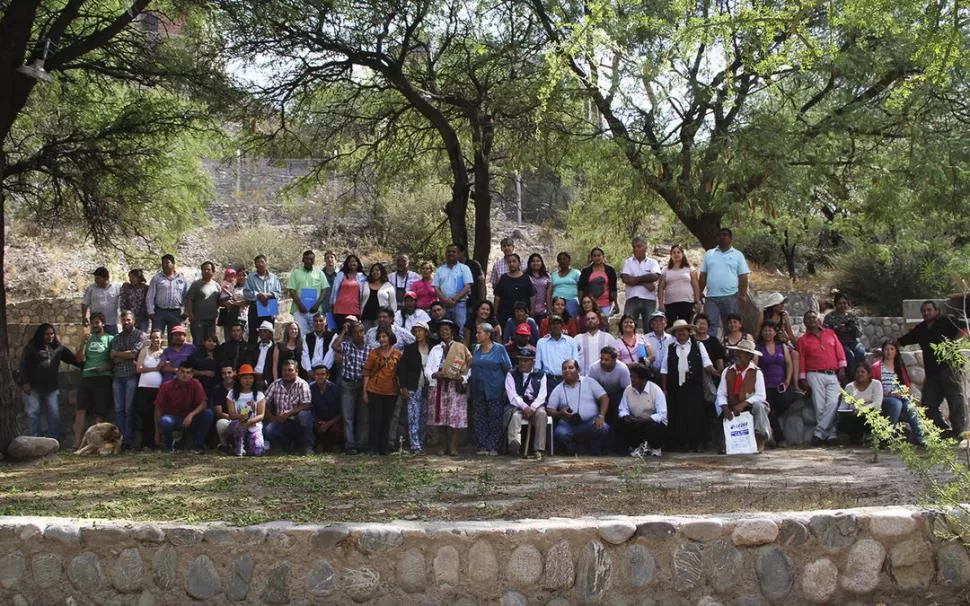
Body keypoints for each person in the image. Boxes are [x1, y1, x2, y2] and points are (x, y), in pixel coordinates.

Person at [898, 300, 967, 439]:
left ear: (936, 311)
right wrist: (886, 348)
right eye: (923, 310)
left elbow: (965, 328)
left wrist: (953, 342)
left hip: (949, 369)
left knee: (955, 402)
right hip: (932, 373)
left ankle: (959, 433)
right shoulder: (921, 328)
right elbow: (903, 340)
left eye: (929, 310)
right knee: (928, 405)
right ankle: (944, 431)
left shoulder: (947, 321)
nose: (926, 313)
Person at [18, 324, 81, 441]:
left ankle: (53, 441)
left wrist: (89, 365)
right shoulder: (31, 348)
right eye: (47, 334)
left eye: (52, 333)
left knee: (54, 414)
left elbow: (74, 360)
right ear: (41, 334)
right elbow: (23, 366)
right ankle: (35, 441)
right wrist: (25, 382)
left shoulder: (58, 348)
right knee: (33, 414)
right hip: (33, 388)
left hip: (51, 388)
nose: (50, 336)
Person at [662, 319, 715, 452]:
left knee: (696, 414)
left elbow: (706, 362)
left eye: (683, 330)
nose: (681, 333)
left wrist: (716, 372)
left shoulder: (698, 345)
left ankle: (698, 442)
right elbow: (664, 370)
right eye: (678, 331)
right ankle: (683, 442)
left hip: (694, 386)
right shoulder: (670, 348)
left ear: (688, 331)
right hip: (676, 387)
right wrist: (664, 389)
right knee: (679, 414)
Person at [797, 310, 847, 446]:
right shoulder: (802, 340)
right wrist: (802, 378)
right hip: (814, 374)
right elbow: (801, 359)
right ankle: (831, 435)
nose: (811, 320)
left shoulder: (830, 333)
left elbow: (839, 350)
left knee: (832, 403)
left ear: (818, 319)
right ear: (804, 322)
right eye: (808, 318)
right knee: (819, 406)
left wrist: (842, 368)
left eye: (814, 317)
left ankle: (819, 433)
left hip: (832, 374)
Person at [425, 319, 472, 456]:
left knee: (455, 417)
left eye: (447, 329)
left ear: (452, 331)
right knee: (439, 417)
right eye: (441, 330)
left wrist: (462, 378)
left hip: (455, 386)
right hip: (438, 386)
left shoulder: (460, 347)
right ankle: (443, 445)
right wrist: (434, 375)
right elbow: (428, 368)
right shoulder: (435, 349)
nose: (444, 332)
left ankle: (453, 446)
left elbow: (468, 367)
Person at [716, 337, 771, 453]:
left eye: (742, 353)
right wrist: (725, 408)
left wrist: (743, 404)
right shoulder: (727, 371)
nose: (737, 355)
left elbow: (761, 395)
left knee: (760, 406)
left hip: (750, 406)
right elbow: (721, 394)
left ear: (749, 356)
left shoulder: (757, 372)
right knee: (723, 448)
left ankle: (759, 438)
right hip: (732, 406)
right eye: (737, 352)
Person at [547, 360, 610, 455]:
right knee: (560, 433)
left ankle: (594, 448)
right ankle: (574, 449)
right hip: (568, 424)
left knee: (603, 428)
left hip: (590, 422)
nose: (567, 370)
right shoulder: (558, 389)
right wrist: (561, 413)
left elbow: (604, 398)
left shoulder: (589, 381)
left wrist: (601, 416)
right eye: (564, 368)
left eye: (571, 367)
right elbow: (550, 410)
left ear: (578, 370)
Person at [470, 323, 513, 456]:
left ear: (488, 335)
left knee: (495, 419)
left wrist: (508, 388)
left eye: (479, 332)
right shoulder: (476, 349)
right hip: (478, 389)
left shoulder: (499, 349)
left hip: (495, 389)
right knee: (479, 418)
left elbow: (508, 369)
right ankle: (482, 446)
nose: (476, 335)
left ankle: (493, 447)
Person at [698, 228, 750, 338]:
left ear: (731, 238)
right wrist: (699, 292)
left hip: (731, 297)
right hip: (711, 298)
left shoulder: (738, 255)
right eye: (719, 235)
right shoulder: (709, 254)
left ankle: (729, 352)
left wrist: (742, 295)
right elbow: (703, 275)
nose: (722, 237)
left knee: (731, 327)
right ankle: (710, 353)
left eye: (725, 235)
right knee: (710, 327)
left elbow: (743, 276)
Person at [872, 342, 926, 446]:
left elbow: (906, 385)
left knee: (911, 408)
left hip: (899, 396)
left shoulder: (899, 366)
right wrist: (890, 394)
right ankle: (888, 437)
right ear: (883, 351)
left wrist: (902, 393)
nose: (889, 352)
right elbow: (873, 387)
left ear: (896, 352)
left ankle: (921, 439)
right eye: (887, 349)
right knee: (896, 404)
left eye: (892, 349)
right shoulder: (876, 367)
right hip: (884, 397)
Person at [154, 360, 214, 454]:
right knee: (164, 421)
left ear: (192, 375)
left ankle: (196, 447)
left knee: (208, 413)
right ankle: (168, 447)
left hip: (191, 418)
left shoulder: (196, 384)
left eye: (188, 372)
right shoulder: (166, 386)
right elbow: (158, 409)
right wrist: (157, 433)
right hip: (174, 418)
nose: (185, 375)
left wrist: (191, 415)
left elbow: (203, 403)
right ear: (177, 372)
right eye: (182, 372)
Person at [73, 312, 114, 448]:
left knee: (99, 412)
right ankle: (77, 443)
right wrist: (83, 343)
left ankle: (94, 443)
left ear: (103, 323)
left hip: (102, 378)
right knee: (81, 409)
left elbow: (114, 361)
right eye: (93, 323)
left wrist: (104, 368)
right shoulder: (88, 339)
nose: (95, 325)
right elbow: (78, 359)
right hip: (87, 377)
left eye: (97, 322)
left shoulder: (110, 339)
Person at [331, 319, 371, 454]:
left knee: (363, 416)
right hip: (347, 384)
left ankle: (362, 444)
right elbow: (334, 346)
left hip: (363, 385)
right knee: (348, 416)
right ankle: (350, 445)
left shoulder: (370, 347)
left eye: (361, 331)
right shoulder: (347, 345)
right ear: (352, 334)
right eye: (356, 332)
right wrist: (344, 331)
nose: (359, 334)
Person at [361, 327, 402, 455]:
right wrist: (364, 392)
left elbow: (400, 373)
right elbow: (366, 373)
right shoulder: (373, 353)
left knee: (387, 420)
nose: (382, 339)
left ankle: (384, 447)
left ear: (390, 338)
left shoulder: (397, 354)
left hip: (391, 391)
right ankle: (372, 447)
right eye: (380, 337)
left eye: (384, 337)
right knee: (374, 419)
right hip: (374, 390)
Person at [109, 310, 145, 450]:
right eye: (123, 320)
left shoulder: (140, 335)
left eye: (128, 320)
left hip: (131, 376)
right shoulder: (117, 337)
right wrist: (126, 354)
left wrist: (121, 354)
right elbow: (113, 356)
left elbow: (134, 353)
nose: (126, 322)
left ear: (133, 321)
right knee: (118, 410)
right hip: (118, 376)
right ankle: (120, 441)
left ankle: (128, 441)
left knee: (129, 409)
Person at [504, 348, 549, 459]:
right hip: (518, 405)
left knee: (542, 415)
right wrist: (524, 407)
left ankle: (539, 449)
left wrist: (532, 407)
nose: (522, 363)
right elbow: (512, 395)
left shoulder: (541, 374)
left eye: (526, 361)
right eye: (520, 361)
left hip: (536, 405)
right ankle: (514, 443)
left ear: (532, 361)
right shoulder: (511, 374)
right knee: (514, 416)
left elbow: (542, 395)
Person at [263, 359, 314, 454]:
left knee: (304, 415)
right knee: (269, 430)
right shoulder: (275, 384)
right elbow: (264, 403)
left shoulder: (302, 384)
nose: (287, 373)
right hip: (281, 421)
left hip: (297, 421)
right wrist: (271, 417)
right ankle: (286, 447)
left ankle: (307, 446)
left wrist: (289, 413)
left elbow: (307, 405)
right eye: (284, 370)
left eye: (290, 370)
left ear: (297, 372)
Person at [618, 364, 668, 457]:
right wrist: (626, 416)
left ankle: (655, 447)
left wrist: (646, 419)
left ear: (644, 379)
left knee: (651, 427)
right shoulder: (628, 390)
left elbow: (662, 414)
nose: (632, 380)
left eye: (635, 377)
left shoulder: (656, 390)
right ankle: (636, 446)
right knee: (622, 422)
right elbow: (622, 409)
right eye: (631, 377)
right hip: (636, 420)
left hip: (652, 423)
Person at [757, 321, 794, 446]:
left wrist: (788, 380)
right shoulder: (758, 348)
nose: (767, 333)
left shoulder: (782, 346)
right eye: (765, 330)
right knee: (769, 411)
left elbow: (789, 364)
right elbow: (755, 366)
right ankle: (780, 439)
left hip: (781, 385)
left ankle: (774, 436)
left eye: (770, 330)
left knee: (784, 403)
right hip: (766, 385)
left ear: (774, 332)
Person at [398, 321, 432, 454]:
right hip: (413, 386)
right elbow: (403, 368)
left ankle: (421, 442)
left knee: (424, 415)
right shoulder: (410, 348)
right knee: (413, 415)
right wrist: (403, 386)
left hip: (428, 386)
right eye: (416, 331)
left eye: (420, 330)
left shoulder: (433, 347)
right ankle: (415, 445)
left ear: (426, 332)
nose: (418, 333)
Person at [760, 292, 801, 391]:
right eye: (780, 304)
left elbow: (790, 333)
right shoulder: (764, 314)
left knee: (795, 354)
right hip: (766, 342)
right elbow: (758, 330)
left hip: (781, 343)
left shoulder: (784, 315)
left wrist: (797, 346)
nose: (782, 306)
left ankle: (795, 384)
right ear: (774, 305)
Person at [620, 236, 662, 330]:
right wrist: (645, 282)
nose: (636, 249)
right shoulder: (628, 262)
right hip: (632, 299)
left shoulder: (652, 262)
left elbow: (655, 276)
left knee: (650, 328)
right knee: (627, 327)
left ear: (645, 247)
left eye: (639, 246)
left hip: (649, 300)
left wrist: (634, 280)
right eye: (634, 247)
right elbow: (626, 279)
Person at [824, 293, 866, 382]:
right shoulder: (830, 317)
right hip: (839, 343)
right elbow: (826, 333)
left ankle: (862, 376)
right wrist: (838, 329)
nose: (842, 305)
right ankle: (851, 379)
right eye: (840, 303)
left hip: (853, 341)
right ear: (836, 304)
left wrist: (852, 328)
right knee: (849, 354)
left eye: (845, 303)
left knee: (860, 352)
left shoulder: (853, 317)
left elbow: (860, 333)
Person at [226, 363, 266, 456]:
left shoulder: (259, 395)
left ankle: (249, 445)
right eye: (244, 378)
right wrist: (241, 417)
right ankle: (236, 446)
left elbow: (261, 415)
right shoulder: (232, 393)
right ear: (239, 380)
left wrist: (250, 421)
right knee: (238, 427)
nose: (248, 381)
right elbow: (231, 415)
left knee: (257, 452)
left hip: (254, 426)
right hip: (237, 425)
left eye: (250, 378)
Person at [586, 347, 632, 429]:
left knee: (619, 408)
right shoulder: (594, 368)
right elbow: (590, 387)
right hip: (598, 394)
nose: (603, 362)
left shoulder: (622, 368)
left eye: (606, 360)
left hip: (617, 393)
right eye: (601, 359)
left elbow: (627, 389)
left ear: (614, 360)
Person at [287, 250, 330, 337]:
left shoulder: (320, 274)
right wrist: (300, 305)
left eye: (311, 259)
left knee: (317, 335)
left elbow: (324, 290)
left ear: (314, 261)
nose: (308, 261)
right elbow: (292, 290)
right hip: (299, 310)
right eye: (306, 259)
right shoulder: (296, 273)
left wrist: (317, 305)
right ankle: (303, 351)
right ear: (303, 260)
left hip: (315, 311)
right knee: (300, 335)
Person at [134, 329, 164, 450]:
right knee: (144, 414)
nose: (156, 340)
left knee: (155, 416)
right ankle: (146, 442)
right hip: (143, 387)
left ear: (161, 339)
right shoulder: (144, 351)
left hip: (158, 389)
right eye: (153, 337)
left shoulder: (164, 353)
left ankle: (156, 442)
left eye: (158, 337)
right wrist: (155, 369)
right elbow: (138, 368)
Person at [658, 244, 701, 325]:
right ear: (671, 255)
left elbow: (696, 286)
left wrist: (697, 301)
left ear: (682, 254)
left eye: (678, 252)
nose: (676, 254)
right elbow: (660, 288)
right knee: (669, 327)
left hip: (687, 302)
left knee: (685, 326)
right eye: (674, 252)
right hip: (670, 303)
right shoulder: (665, 270)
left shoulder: (690, 269)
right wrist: (660, 303)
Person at [147, 254, 188, 337]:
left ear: (173, 264)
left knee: (174, 338)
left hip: (175, 312)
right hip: (159, 312)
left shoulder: (181, 279)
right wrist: (150, 311)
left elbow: (186, 297)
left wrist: (186, 311)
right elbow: (150, 296)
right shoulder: (156, 278)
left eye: (167, 263)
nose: (165, 265)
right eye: (163, 263)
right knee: (156, 337)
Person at [244, 255, 282, 343]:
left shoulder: (274, 277)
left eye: (262, 262)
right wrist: (258, 295)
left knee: (268, 334)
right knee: (253, 335)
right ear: (255, 265)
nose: (259, 264)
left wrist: (268, 295)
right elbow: (246, 292)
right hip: (255, 308)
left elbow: (278, 293)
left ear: (266, 263)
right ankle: (253, 355)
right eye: (257, 262)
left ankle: (268, 355)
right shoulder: (250, 277)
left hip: (269, 307)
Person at [434, 244, 473, 329]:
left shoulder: (464, 268)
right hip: (444, 305)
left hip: (459, 304)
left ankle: (461, 342)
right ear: (445, 254)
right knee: (445, 329)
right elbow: (436, 288)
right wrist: (444, 299)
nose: (450, 253)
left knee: (460, 329)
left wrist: (455, 299)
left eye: (453, 252)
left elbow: (467, 286)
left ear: (458, 254)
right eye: (448, 252)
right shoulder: (440, 270)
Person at [535, 315, 578, 394]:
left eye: (558, 323)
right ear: (549, 326)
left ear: (562, 326)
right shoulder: (541, 343)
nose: (555, 326)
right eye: (553, 323)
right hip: (548, 381)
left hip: (566, 380)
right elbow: (537, 366)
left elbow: (575, 363)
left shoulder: (571, 342)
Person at [493, 253, 536, 329]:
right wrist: (495, 311)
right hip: (505, 312)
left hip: (522, 313)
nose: (511, 264)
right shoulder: (503, 278)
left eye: (514, 261)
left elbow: (532, 295)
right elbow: (497, 296)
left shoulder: (526, 278)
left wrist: (532, 310)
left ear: (519, 263)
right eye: (509, 262)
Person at [310, 365, 344, 452]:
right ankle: (317, 445)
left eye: (323, 374)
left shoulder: (335, 389)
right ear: (314, 375)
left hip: (333, 420)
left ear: (327, 375)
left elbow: (341, 412)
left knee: (337, 430)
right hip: (317, 420)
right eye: (317, 374)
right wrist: (317, 421)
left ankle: (333, 445)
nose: (320, 376)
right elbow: (308, 408)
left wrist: (328, 423)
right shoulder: (310, 388)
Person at [329, 254, 366, 331]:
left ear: (358, 263)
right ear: (347, 264)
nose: (353, 263)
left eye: (355, 261)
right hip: (340, 310)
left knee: (353, 333)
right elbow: (334, 290)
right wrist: (332, 304)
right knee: (341, 333)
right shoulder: (341, 275)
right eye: (350, 261)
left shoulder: (362, 277)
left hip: (355, 310)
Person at [578, 247, 618, 318]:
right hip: (590, 305)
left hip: (606, 304)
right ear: (591, 257)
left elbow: (613, 288)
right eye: (594, 256)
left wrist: (616, 304)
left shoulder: (610, 270)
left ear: (603, 256)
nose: (597, 258)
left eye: (599, 255)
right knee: (591, 324)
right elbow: (581, 289)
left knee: (605, 325)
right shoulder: (586, 271)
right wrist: (581, 303)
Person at [82, 266, 121, 335]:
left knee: (113, 344)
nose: (96, 280)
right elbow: (84, 303)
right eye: (95, 278)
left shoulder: (116, 288)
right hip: (96, 324)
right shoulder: (91, 288)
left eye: (98, 278)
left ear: (106, 278)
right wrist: (84, 317)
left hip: (111, 323)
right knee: (96, 344)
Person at [575, 311, 615, 376]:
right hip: (584, 377)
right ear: (585, 323)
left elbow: (615, 358)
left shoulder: (608, 337)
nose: (590, 320)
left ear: (598, 321)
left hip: (605, 377)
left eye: (593, 318)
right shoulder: (578, 338)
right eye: (588, 319)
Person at [361, 262, 396, 331]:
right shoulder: (365, 284)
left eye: (377, 270)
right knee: (368, 337)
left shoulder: (388, 286)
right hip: (366, 317)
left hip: (382, 318)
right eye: (373, 270)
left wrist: (391, 318)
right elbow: (360, 299)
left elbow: (393, 304)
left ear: (381, 272)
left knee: (380, 337)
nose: (374, 272)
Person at [191, 334, 222, 408]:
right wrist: (203, 373)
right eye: (209, 341)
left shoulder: (220, 355)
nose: (211, 343)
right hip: (201, 387)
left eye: (214, 341)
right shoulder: (196, 356)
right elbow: (190, 371)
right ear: (204, 342)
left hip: (217, 388)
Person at [220, 266, 249, 343]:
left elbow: (248, 301)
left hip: (243, 317)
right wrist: (226, 303)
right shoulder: (231, 286)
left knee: (243, 340)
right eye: (239, 275)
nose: (241, 277)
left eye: (244, 275)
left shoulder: (249, 288)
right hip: (230, 317)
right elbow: (222, 300)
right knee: (229, 340)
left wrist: (235, 303)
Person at [212, 365, 237, 453]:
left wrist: (241, 417)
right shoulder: (217, 389)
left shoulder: (240, 386)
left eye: (229, 372)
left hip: (243, 418)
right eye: (224, 373)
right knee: (221, 423)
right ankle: (224, 444)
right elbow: (219, 413)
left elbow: (245, 405)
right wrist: (234, 418)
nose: (227, 375)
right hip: (227, 419)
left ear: (234, 373)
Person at [550, 252, 581, 319]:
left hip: (572, 300)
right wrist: (549, 305)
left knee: (571, 320)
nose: (562, 261)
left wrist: (581, 303)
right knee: (557, 320)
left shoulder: (576, 273)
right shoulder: (554, 275)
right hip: (556, 301)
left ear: (569, 260)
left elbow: (580, 289)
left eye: (564, 259)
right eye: (560, 259)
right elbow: (549, 291)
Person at [645, 311, 674, 379]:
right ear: (651, 325)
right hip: (651, 373)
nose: (658, 323)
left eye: (661, 320)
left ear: (665, 323)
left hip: (669, 372)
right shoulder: (645, 338)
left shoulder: (672, 339)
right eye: (655, 321)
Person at [251, 321, 278, 388]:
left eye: (265, 331)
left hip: (267, 380)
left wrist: (267, 382)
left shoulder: (275, 349)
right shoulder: (254, 347)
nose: (262, 333)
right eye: (260, 331)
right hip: (253, 378)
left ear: (271, 334)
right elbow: (250, 362)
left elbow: (276, 367)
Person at [527, 253, 551, 321]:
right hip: (529, 309)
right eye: (533, 261)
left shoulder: (547, 276)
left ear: (541, 263)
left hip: (543, 310)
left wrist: (549, 309)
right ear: (529, 263)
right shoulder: (525, 276)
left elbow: (548, 294)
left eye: (538, 261)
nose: (535, 263)